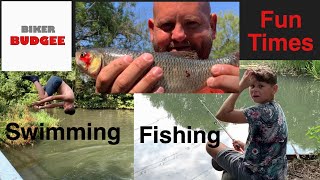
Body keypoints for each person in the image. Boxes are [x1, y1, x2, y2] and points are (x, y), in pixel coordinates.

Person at [95, 2, 239, 93]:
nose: (178, 35)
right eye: (167, 26)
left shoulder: (247, 84)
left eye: (192, 23)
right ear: (152, 31)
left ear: (212, 27)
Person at [206, 66, 288, 179]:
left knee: (211, 145)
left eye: (261, 86)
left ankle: (229, 172)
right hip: (276, 175)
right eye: (252, 86)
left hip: (253, 175)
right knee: (220, 162)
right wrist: (246, 147)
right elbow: (268, 146)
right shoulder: (276, 108)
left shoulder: (259, 112)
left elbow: (222, 114)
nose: (255, 89)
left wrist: (239, 86)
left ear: (274, 89)